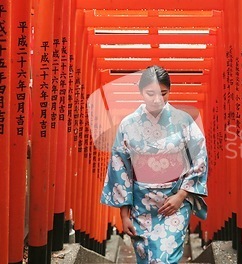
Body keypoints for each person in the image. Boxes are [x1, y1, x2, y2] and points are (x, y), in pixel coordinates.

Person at [100, 65, 208, 263]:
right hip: (141, 205)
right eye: (150, 93)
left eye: (163, 93)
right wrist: (124, 216)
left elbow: (200, 157)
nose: (157, 99)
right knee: (147, 259)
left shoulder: (183, 121)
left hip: (174, 202)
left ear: (170, 91)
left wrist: (181, 196)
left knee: (164, 259)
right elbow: (120, 167)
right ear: (141, 92)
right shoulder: (128, 124)